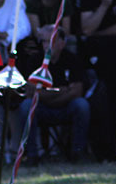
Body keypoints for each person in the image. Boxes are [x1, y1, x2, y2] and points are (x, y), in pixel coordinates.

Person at [17, 26, 90, 163]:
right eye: (44, 42)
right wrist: (62, 92)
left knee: (82, 105)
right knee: (26, 106)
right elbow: (30, 92)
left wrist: (45, 94)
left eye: (51, 41)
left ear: (62, 43)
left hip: (66, 107)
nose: (47, 46)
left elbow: (78, 91)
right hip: (42, 108)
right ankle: (31, 155)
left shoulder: (72, 60)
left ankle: (78, 153)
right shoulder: (34, 61)